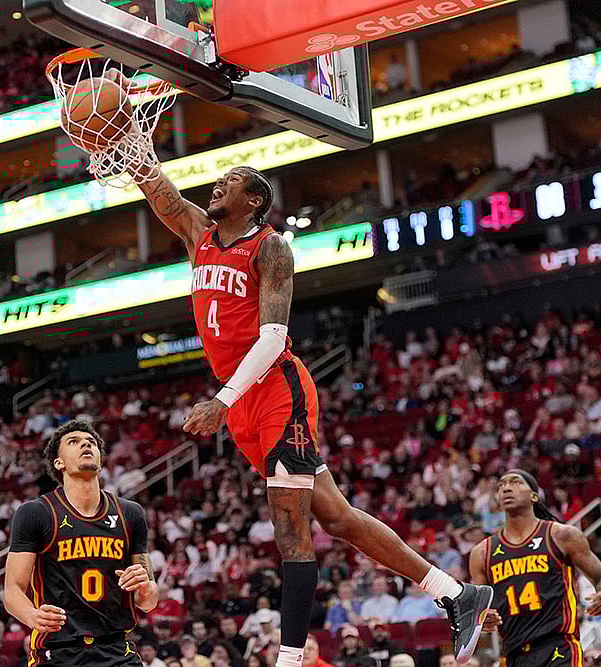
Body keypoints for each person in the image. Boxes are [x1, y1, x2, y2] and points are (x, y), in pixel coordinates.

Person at [128, 105, 492, 667]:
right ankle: (457, 594)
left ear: (253, 200)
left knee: (291, 529)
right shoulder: (201, 233)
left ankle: (291, 660)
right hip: (242, 396)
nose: (217, 186)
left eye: (230, 182)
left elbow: (274, 335)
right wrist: (126, 136)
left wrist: (221, 401)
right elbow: (162, 194)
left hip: (277, 388)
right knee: (338, 518)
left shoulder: (271, 247)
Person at [4, 419, 157, 667]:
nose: (86, 443)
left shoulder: (131, 513)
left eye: (92, 442)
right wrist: (33, 616)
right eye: (73, 441)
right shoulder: (36, 513)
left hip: (117, 649)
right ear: (59, 462)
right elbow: (12, 590)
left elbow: (148, 602)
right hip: (59, 651)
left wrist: (147, 588)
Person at [471, 470, 601, 667]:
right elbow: (480, 610)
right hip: (513, 652)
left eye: (515, 483)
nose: (506, 488)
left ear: (534, 495)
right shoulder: (482, 552)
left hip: (558, 646)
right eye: (501, 486)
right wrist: (482, 618)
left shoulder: (561, 535)